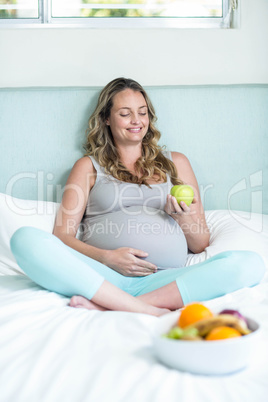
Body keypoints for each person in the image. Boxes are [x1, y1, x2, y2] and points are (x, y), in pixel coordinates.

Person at [10, 78, 265, 316]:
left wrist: (182, 217)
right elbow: (62, 237)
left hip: (165, 280)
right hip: (102, 275)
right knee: (25, 239)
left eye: (142, 112)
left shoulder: (175, 163)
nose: (136, 120)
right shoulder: (88, 167)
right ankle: (132, 303)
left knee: (250, 263)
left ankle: (121, 306)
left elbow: (199, 245)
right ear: (106, 119)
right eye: (125, 113)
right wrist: (107, 258)